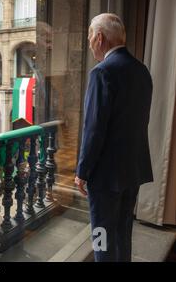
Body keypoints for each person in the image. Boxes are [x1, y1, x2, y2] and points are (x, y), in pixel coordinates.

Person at [75, 13, 153, 262]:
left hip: (106, 175)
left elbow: (93, 129)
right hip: (133, 169)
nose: (89, 42)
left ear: (99, 38)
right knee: (122, 233)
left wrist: (82, 171)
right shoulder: (142, 71)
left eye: (90, 36)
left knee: (101, 235)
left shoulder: (102, 72)